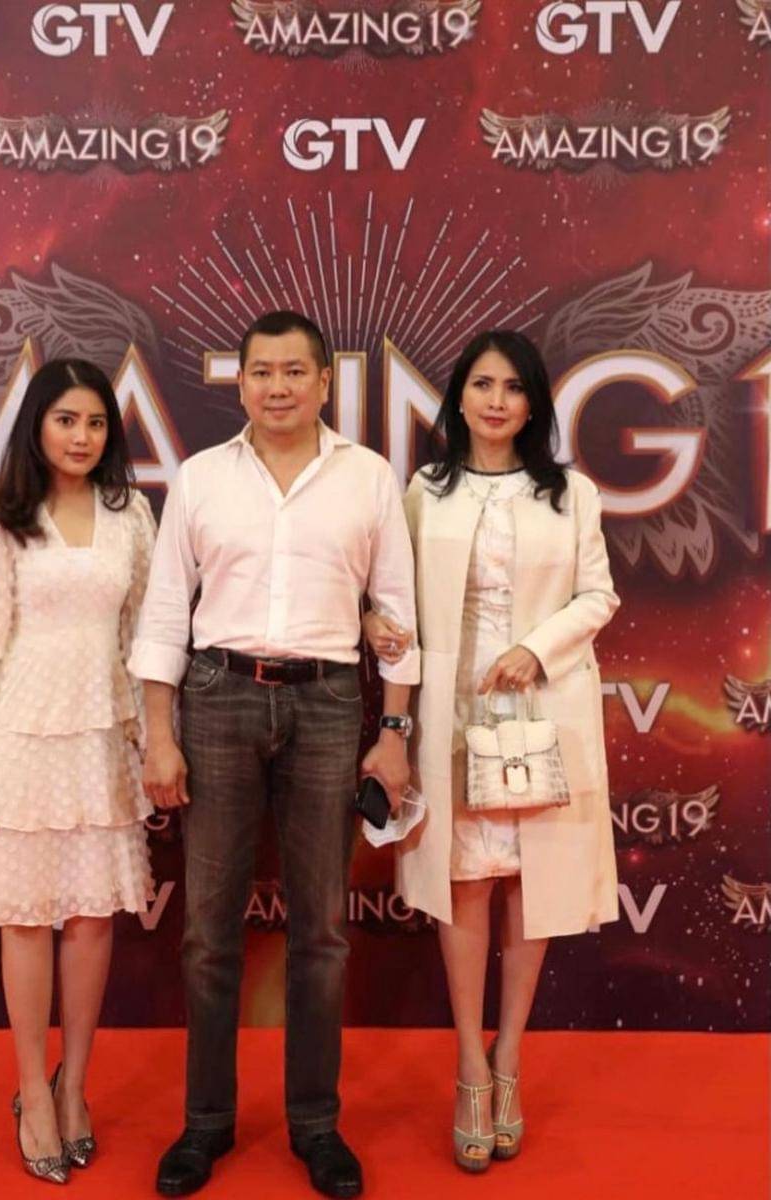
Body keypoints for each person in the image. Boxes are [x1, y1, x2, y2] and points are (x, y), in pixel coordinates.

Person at [130, 310, 419, 1199]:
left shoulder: (368, 477)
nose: (279, 387)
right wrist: (159, 734)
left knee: (321, 931)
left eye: (296, 371)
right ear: (241, 381)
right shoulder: (201, 478)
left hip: (329, 702)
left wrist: (395, 734)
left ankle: (316, 1126)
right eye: (262, 372)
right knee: (208, 931)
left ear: (326, 382)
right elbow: (165, 613)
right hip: (217, 697)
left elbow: (398, 614)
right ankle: (206, 1123)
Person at [366, 329, 619, 1173]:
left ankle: (510, 1058)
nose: (497, 401)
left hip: (540, 704)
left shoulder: (570, 493)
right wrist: (376, 622)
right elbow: (395, 594)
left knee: (529, 883)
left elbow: (598, 595)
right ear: (459, 397)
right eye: (482, 384)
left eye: (513, 387)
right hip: (453, 709)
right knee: (465, 880)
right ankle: (469, 1067)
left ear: (534, 402)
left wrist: (537, 649)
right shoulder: (425, 490)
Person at [0, 359, 156, 1184]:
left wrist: (151, 738)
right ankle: (31, 1089)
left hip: (102, 738)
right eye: (66, 421)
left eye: (95, 423)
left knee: (92, 919)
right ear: (37, 427)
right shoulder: (3, 519)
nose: (81, 437)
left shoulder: (132, 514)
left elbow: (142, 636)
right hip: (20, 734)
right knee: (26, 919)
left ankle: (74, 1087)